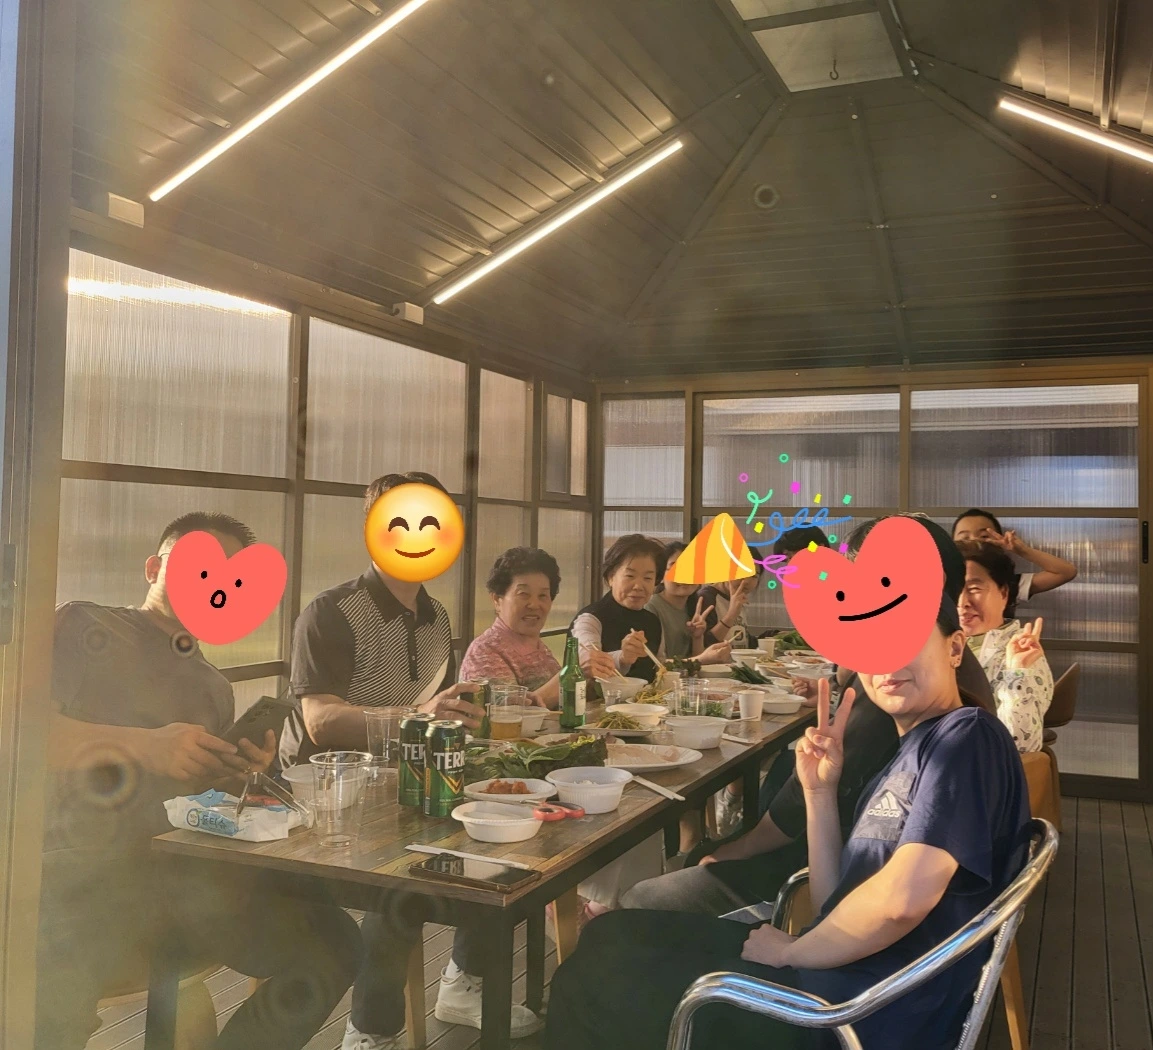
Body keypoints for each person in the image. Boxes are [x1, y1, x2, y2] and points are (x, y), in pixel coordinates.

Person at [547, 603, 1031, 1050]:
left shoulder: (966, 737)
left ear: (954, 647)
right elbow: (831, 902)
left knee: (594, 981)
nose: (887, 660)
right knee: (609, 935)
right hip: (838, 981)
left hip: (848, 1016)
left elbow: (902, 901)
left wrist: (794, 951)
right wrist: (820, 793)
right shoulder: (910, 749)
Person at [36, 512, 361, 1050]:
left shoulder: (213, 685)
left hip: (181, 873)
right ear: (153, 568)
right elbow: (18, 731)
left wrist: (238, 774)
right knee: (52, 994)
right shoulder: (84, 625)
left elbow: (199, 800)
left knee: (333, 943)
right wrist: (147, 746)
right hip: (73, 865)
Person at [622, 515, 995, 916]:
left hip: (826, 893)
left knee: (646, 901)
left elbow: (897, 906)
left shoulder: (946, 726)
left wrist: (742, 855)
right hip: (840, 877)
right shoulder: (941, 681)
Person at [286, 472, 541, 1048]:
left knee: (492, 841)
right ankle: (370, 1031)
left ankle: (463, 982)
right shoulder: (331, 611)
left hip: (407, 777)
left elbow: (433, 709)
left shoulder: (437, 617)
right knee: (399, 885)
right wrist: (418, 712)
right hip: (331, 794)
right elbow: (320, 721)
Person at [957, 540, 1054, 753]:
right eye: (953, 590)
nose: (962, 602)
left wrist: (1017, 674)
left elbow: (1020, 744)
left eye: (974, 589)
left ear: (1003, 593)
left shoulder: (1023, 654)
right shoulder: (936, 644)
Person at [460, 546, 563, 707]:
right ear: (497, 600)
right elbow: (508, 713)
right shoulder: (484, 652)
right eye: (523, 594)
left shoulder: (539, 648)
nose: (534, 604)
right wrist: (568, 678)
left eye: (543, 595)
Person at [572, 533, 667, 682]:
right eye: (630, 576)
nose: (638, 586)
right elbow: (588, 663)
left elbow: (660, 669)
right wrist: (623, 657)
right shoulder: (590, 619)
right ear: (611, 577)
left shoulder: (653, 621)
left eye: (648, 578)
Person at [952, 509, 1077, 608]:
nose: (974, 541)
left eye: (984, 536)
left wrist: (1022, 550)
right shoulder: (944, 580)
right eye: (965, 538)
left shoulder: (1008, 582)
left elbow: (1066, 572)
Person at [646, 541, 732, 664]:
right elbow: (655, 664)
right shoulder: (651, 607)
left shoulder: (693, 607)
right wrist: (703, 658)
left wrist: (697, 638)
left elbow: (695, 663)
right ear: (661, 576)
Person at [700, 569, 761, 650]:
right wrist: (731, 614)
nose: (746, 581)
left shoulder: (737, 597)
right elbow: (704, 643)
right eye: (741, 572)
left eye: (754, 576)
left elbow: (740, 638)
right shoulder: (706, 598)